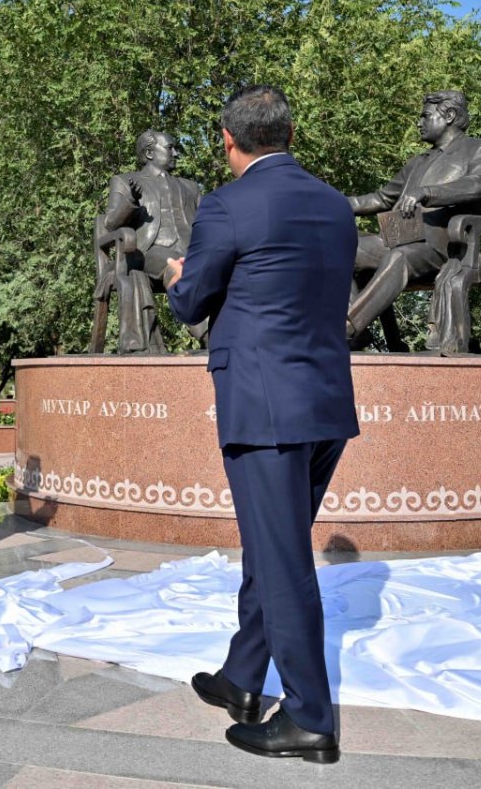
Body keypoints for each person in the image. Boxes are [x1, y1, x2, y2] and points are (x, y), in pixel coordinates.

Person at [165, 85, 359, 763]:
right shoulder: (334, 205)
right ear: (289, 133)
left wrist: (176, 277)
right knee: (272, 545)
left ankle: (308, 717)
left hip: (263, 405)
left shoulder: (227, 204)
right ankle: (243, 678)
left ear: (228, 140)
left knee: (282, 560)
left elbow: (193, 302)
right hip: (325, 402)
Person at [346, 90, 481, 346]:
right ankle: (358, 331)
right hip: (399, 237)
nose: (419, 123)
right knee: (342, 249)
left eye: (425, 116)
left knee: (398, 257)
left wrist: (427, 192)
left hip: (446, 247)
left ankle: (348, 328)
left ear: (449, 116)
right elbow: (381, 198)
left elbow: (478, 184)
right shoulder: (418, 162)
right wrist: (330, 204)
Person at [102, 130, 205, 349]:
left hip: (191, 252)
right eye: (170, 148)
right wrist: (129, 202)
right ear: (149, 153)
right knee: (176, 266)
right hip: (149, 253)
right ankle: (209, 335)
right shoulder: (125, 182)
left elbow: (207, 225)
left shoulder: (191, 187)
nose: (176, 153)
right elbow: (110, 224)